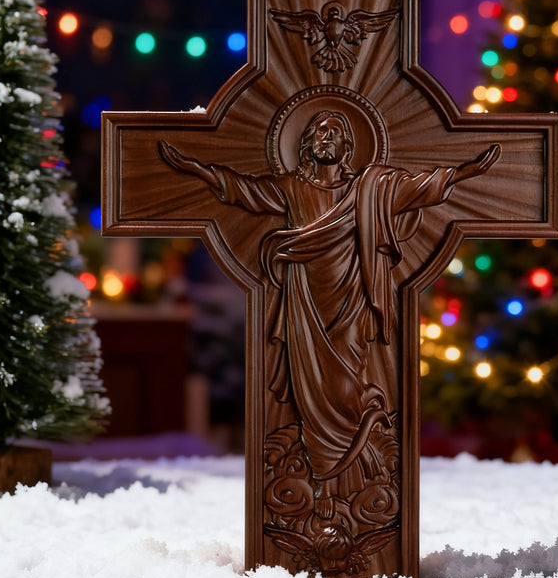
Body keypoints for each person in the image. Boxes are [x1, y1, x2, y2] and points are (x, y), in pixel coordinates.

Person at [159, 110, 500, 519]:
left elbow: (419, 189)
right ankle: (321, 489)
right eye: (318, 130)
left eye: (335, 131)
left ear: (347, 146)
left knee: (347, 387)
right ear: (305, 143)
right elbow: (243, 190)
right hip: (304, 307)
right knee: (309, 395)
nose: (326, 136)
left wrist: (466, 171)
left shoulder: (370, 189)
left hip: (351, 305)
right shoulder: (291, 187)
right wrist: (195, 168)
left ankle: (354, 479)